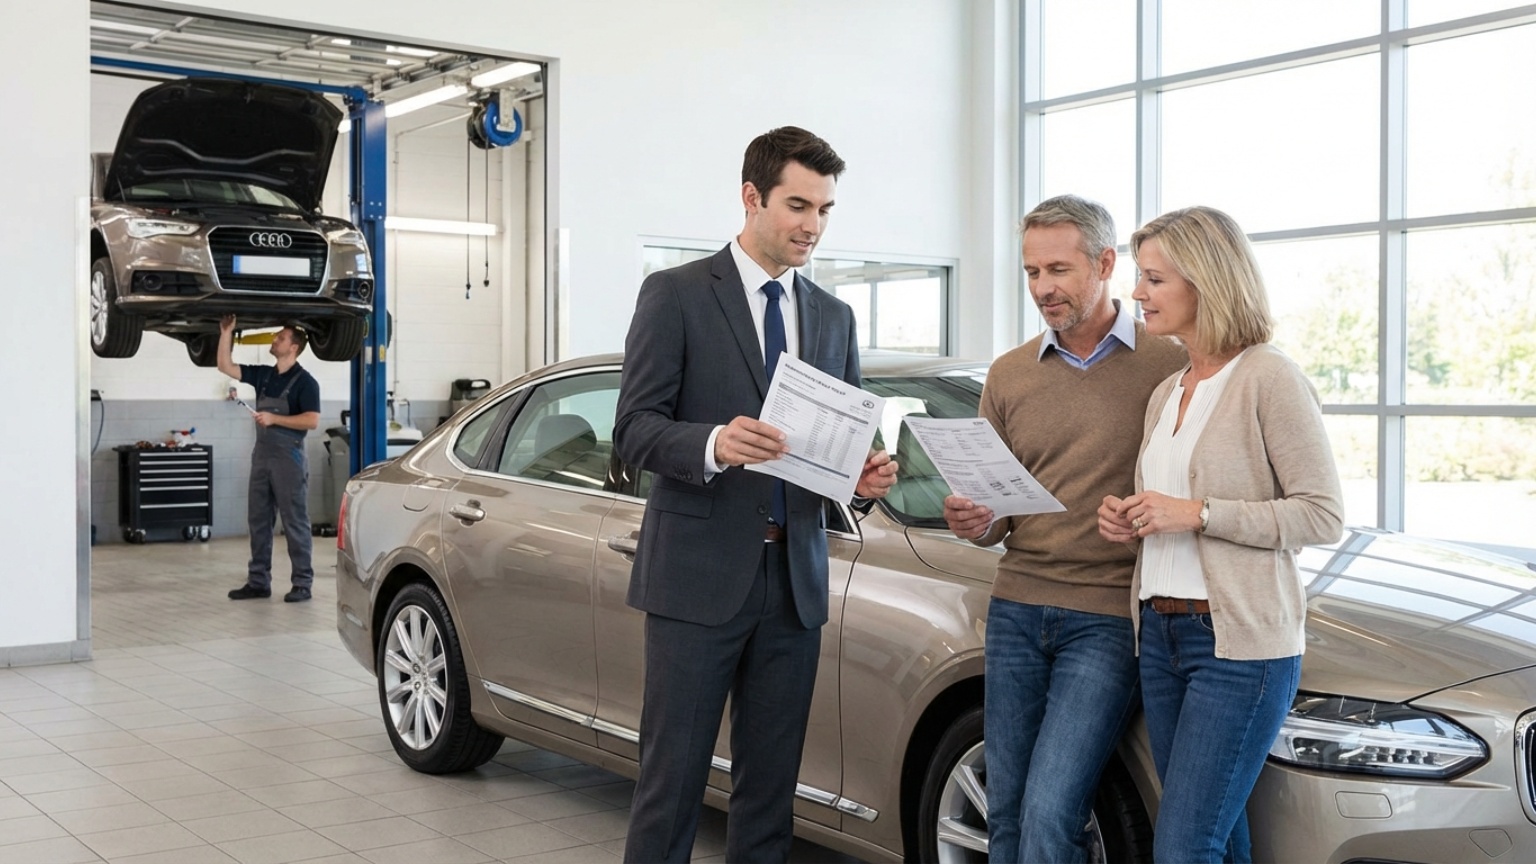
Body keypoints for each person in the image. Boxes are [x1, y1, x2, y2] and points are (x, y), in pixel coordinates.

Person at [613, 126, 898, 864]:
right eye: (798, 205)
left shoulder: (833, 317)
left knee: (770, 795)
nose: (813, 225)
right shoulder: (675, 294)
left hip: (794, 583)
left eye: (826, 210)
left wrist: (859, 483)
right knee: (670, 784)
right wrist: (713, 444)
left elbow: (842, 447)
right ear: (751, 197)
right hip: (696, 582)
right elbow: (635, 431)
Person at [943, 195, 1186, 862]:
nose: (1042, 288)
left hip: (1107, 617)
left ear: (1106, 264)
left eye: (1058, 269)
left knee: (1053, 810)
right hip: (1016, 607)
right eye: (1030, 273)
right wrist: (975, 519)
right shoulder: (1010, 374)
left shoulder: (1168, 363)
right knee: (1009, 813)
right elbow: (995, 512)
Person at [1098, 205, 1343, 863]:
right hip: (1163, 637)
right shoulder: (1168, 389)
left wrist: (1198, 513)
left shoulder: (1268, 376)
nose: (1137, 293)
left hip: (1238, 649)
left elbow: (1321, 514)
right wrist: (1132, 519)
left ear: (1204, 282)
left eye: (1153, 279)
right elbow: (1170, 511)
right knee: (1218, 839)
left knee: (1184, 845)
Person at [216, 314, 321, 603]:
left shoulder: (306, 383)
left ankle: (302, 583)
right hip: (262, 456)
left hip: (289, 457)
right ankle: (258, 581)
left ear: (294, 347)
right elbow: (225, 365)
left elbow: (312, 421)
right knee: (258, 520)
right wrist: (227, 332)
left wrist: (275, 417)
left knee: (294, 521)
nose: (275, 339)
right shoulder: (264, 375)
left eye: (282, 337)